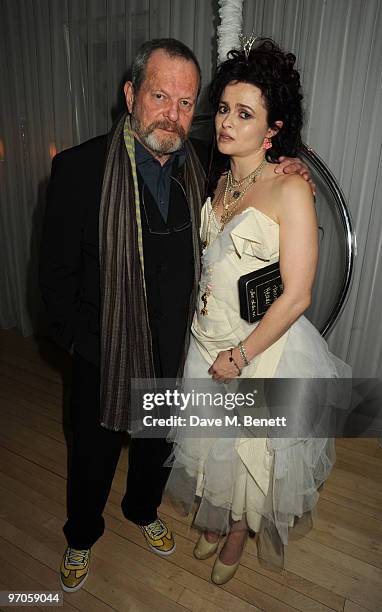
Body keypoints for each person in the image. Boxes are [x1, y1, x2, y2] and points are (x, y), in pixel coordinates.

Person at [39, 37, 313, 592]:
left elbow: (259, 168)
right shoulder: (78, 170)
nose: (173, 113)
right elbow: (53, 282)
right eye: (160, 96)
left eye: (187, 103)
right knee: (91, 454)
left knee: (155, 450)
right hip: (106, 349)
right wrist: (84, 347)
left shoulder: (203, 164)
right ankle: (81, 535)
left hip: (181, 347)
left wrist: (293, 165)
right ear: (130, 94)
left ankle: (142, 511)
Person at [165, 37, 351, 585]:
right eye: (224, 108)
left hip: (256, 349)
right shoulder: (220, 177)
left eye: (245, 114)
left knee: (248, 452)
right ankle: (218, 520)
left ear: (273, 130)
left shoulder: (291, 188)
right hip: (206, 339)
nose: (226, 122)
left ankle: (239, 533)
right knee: (211, 444)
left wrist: (240, 355)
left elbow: (298, 295)